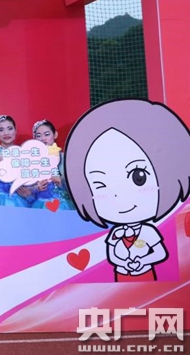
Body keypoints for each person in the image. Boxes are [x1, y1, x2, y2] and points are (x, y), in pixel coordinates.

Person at [64, 99, 190, 281]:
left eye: (139, 177)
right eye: (99, 184)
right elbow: (112, 254)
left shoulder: (148, 232)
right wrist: (124, 263)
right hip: (121, 277)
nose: (119, 195)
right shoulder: (116, 234)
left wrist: (141, 261)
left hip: (147, 277)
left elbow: (160, 253)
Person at [30, 119, 75, 211]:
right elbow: (25, 191)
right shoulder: (31, 161)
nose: (43, 139)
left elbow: (76, 188)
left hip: (63, 206)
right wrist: (36, 188)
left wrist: (61, 182)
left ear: (55, 135)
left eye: (47, 134)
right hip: (39, 205)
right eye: (39, 136)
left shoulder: (65, 159)